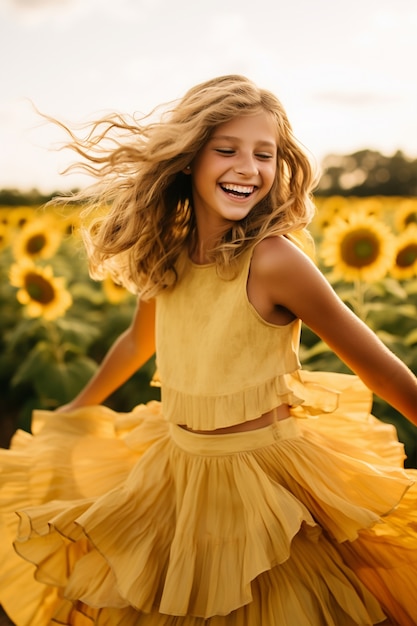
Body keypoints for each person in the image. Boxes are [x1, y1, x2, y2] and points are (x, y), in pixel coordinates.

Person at [0, 74, 416, 626]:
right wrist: (78, 407)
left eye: (264, 155)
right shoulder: (168, 254)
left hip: (266, 482)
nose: (249, 168)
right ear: (189, 159)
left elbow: (380, 370)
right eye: (227, 149)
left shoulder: (274, 261)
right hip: (178, 472)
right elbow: (136, 342)